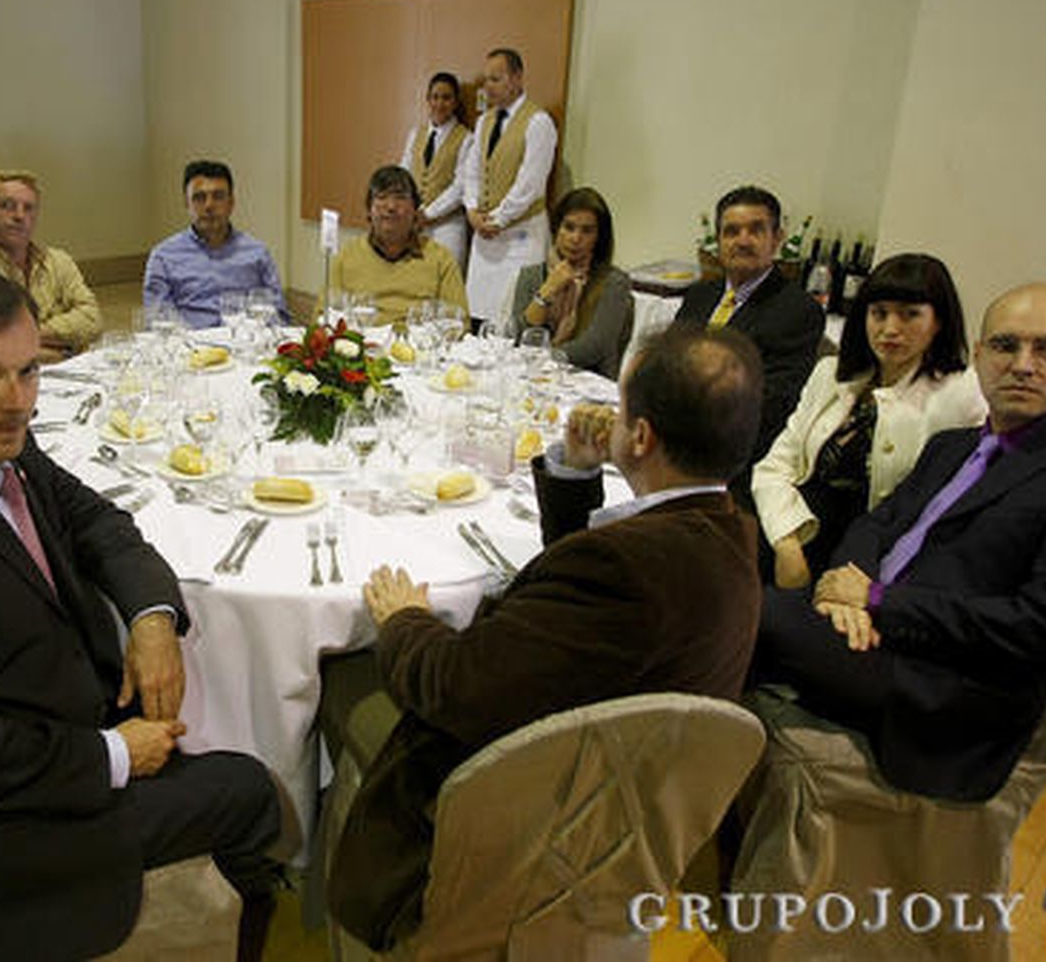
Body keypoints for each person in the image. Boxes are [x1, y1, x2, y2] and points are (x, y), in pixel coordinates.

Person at [0, 268, 282, 962]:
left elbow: (99, 521)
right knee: (251, 789)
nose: (17, 403)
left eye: (28, 372)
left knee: (207, 732)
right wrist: (116, 752)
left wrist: (153, 619)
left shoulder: (1, 446)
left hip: (50, 730)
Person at [325, 324, 765, 950]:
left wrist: (404, 621)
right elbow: (581, 625)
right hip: (634, 812)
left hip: (522, 819)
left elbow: (456, 686)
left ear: (640, 436)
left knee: (344, 676)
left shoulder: (623, 572)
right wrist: (574, 470)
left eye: (621, 411)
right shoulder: (729, 537)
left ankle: (336, 878)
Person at [753, 283, 1046, 802]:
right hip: (868, 635)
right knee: (712, 597)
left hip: (945, 689)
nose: (1024, 365)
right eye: (1006, 346)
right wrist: (839, 589)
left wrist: (877, 602)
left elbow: (1041, 628)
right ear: (979, 356)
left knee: (734, 608)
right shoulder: (952, 447)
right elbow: (876, 525)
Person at [753, 254, 986, 586]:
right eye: (879, 314)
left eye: (910, 315)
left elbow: (952, 506)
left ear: (938, 322)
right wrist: (787, 545)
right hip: (798, 528)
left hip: (877, 555)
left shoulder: (961, 393)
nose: (890, 329)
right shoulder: (831, 374)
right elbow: (774, 467)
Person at [676, 185, 824, 495]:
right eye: (731, 232)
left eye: (756, 230)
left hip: (731, 462)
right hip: (672, 438)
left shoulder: (797, 311)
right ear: (718, 242)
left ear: (777, 238)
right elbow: (668, 363)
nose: (743, 241)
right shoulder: (700, 295)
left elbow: (771, 405)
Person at [0, 169, 101, 360]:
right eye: (7, 206)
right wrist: (60, 349)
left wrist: (26, 336)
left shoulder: (59, 261)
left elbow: (92, 320)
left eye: (28, 208)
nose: (19, 216)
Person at [460, 48, 558, 325]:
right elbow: (473, 172)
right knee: (478, 314)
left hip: (520, 234)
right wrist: (471, 211)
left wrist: (499, 219)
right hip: (484, 234)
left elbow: (530, 183)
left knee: (512, 317)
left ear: (517, 79)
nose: (487, 86)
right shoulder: (484, 122)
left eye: (495, 79)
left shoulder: (538, 123)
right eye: (486, 79)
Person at [506, 186, 634, 379]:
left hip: (589, 385)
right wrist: (547, 290)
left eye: (587, 231)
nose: (576, 238)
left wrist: (544, 360)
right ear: (556, 228)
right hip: (533, 379)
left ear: (599, 237)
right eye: (569, 227)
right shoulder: (530, 275)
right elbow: (519, 336)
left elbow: (594, 347)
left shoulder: (614, 282)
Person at [143, 159, 287, 327]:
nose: (209, 205)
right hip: (191, 349)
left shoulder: (257, 253)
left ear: (231, 202)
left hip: (246, 345)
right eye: (199, 198)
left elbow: (279, 314)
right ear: (186, 204)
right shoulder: (164, 257)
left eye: (218, 197)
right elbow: (157, 320)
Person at [328, 165, 467, 326]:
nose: (391, 207)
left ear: (416, 210)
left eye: (400, 197)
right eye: (381, 197)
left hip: (418, 348)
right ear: (369, 210)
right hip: (363, 346)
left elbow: (458, 321)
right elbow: (325, 316)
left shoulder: (440, 259)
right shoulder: (346, 256)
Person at [399, 72, 474, 273]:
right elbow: (403, 173)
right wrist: (409, 210)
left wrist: (429, 214)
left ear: (456, 102)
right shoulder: (416, 134)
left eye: (447, 98)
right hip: (414, 223)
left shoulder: (466, 138)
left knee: (444, 282)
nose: (440, 104)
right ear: (428, 99)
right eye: (435, 97)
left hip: (448, 226)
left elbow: (461, 187)